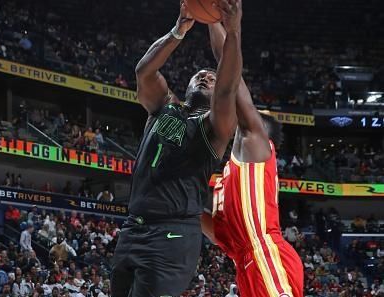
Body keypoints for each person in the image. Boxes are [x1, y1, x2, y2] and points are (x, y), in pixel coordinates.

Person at [110, 0, 243, 296]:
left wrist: (231, 31)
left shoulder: (216, 127)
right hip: (133, 228)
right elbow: (144, 71)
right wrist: (178, 31)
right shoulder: (164, 106)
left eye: (211, 76)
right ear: (188, 85)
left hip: (173, 234)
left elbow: (227, 87)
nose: (206, 77)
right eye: (200, 75)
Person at [201, 22, 304, 297]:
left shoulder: (256, 144)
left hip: (265, 253)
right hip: (245, 261)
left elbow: (232, 79)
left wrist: (212, 19)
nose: (249, 115)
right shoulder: (228, 175)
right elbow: (218, 235)